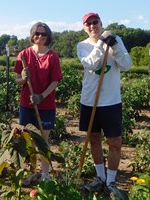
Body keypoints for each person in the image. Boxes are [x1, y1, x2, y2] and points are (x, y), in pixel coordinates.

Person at [77, 12, 132, 199]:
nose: (92, 26)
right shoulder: (82, 46)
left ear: (101, 23)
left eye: (95, 22)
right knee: (94, 139)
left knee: (115, 142)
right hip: (90, 100)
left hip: (111, 101)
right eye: (88, 24)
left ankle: (111, 181)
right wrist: (101, 43)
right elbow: (91, 64)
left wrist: (114, 44)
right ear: (85, 27)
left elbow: (126, 65)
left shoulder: (117, 41)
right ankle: (100, 178)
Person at [14, 22, 62, 184]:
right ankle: (32, 171)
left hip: (46, 105)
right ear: (32, 35)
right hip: (26, 105)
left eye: (43, 34)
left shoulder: (52, 56)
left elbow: (55, 81)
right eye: (37, 34)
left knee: (43, 139)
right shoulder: (24, 55)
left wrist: (41, 96)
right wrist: (23, 78)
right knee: (28, 140)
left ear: (48, 37)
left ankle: (46, 174)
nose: (40, 37)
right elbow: (18, 80)